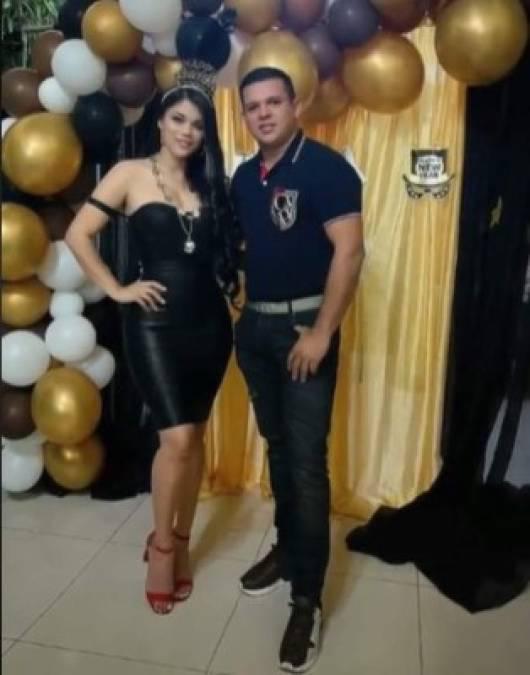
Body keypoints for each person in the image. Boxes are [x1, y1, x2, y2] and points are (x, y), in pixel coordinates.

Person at [65, 61, 240, 616]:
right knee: (177, 440)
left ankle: (182, 538)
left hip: (210, 325)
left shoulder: (211, 182)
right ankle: (163, 547)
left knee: (196, 436)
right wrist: (117, 290)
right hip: (154, 324)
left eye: (198, 124)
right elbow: (78, 234)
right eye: (179, 119)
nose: (187, 131)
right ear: (161, 121)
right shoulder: (129, 173)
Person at [231, 67, 365, 672]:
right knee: (280, 450)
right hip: (256, 331)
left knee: (307, 465)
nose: (263, 113)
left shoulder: (327, 169)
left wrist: (322, 332)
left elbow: (350, 252)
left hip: (304, 330)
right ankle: (288, 550)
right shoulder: (243, 177)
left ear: (295, 105)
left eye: (273, 102)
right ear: (244, 114)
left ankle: (306, 600)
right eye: (252, 106)